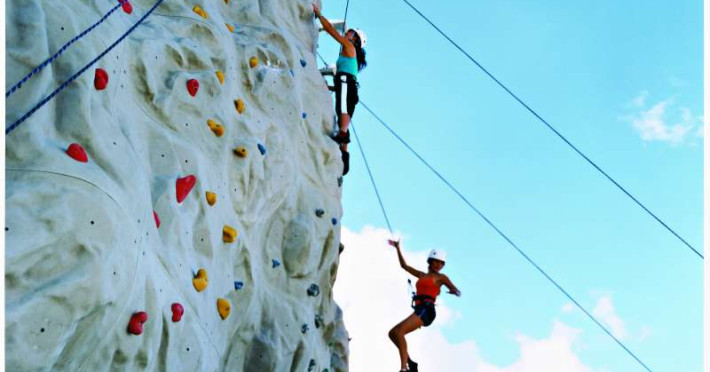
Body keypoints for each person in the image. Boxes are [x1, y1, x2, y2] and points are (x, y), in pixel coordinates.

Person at [388, 241, 461, 372]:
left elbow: (456, 289)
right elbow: (404, 266)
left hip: (427, 310)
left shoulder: (441, 277)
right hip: (419, 309)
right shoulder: (422, 275)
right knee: (393, 333)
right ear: (430, 261)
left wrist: (454, 291)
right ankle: (411, 363)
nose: (439, 265)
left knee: (399, 332)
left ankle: (404, 369)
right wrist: (397, 248)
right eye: (436, 262)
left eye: (441, 263)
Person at [313, 3, 368, 175]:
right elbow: (340, 87)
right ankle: (344, 158)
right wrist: (327, 86)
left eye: (351, 32)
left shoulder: (350, 47)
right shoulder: (350, 54)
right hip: (347, 85)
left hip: (346, 83)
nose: (348, 32)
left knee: (343, 109)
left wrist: (319, 15)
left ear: (355, 39)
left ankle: (342, 136)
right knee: (343, 109)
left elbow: (330, 30)